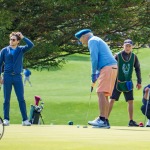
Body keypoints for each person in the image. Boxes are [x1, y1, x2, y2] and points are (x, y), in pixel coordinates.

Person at [75, 29, 118, 128]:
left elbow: (94, 58)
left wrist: (93, 73)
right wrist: (98, 73)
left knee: (101, 92)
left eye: (81, 39)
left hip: (107, 67)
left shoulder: (92, 40)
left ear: (84, 36)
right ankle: (105, 120)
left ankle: (102, 119)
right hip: (111, 67)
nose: (81, 42)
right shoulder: (97, 39)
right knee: (104, 94)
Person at [0, 32, 34, 126]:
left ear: (18, 41)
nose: (11, 41)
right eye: (10, 39)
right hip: (7, 76)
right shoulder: (4, 50)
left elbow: (31, 45)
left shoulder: (21, 49)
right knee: (6, 99)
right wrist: (0, 76)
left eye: (13, 39)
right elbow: (0, 64)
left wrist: (23, 36)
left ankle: (25, 120)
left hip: (18, 77)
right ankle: (6, 119)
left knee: (21, 98)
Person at [108, 39, 142, 127]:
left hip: (128, 82)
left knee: (130, 101)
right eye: (126, 46)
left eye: (129, 46)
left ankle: (131, 121)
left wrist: (139, 82)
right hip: (117, 82)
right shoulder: (117, 56)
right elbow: (111, 67)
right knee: (112, 100)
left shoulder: (134, 57)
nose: (128, 47)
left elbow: (137, 69)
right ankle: (105, 119)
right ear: (123, 46)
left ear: (132, 47)